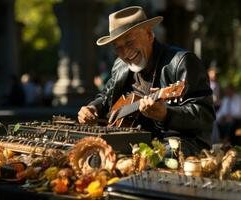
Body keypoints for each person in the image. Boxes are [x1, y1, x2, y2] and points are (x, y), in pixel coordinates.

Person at [77, 6, 215, 155]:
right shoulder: (120, 65)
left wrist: (166, 115)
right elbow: (106, 96)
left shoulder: (182, 62)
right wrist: (93, 108)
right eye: (118, 48)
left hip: (179, 144)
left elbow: (205, 116)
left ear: (149, 34)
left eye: (129, 42)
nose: (125, 53)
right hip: (133, 144)